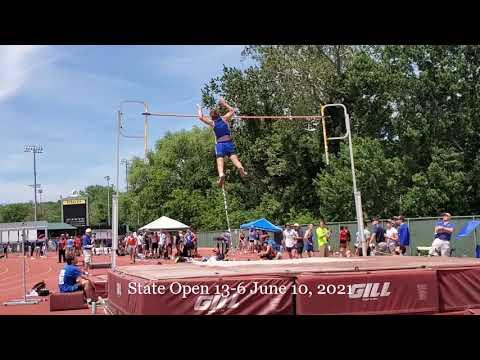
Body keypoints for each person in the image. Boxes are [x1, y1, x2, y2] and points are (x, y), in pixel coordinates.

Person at [196, 98, 247, 188]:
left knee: (219, 160)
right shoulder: (224, 119)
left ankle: (221, 174)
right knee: (234, 159)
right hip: (228, 142)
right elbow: (233, 110)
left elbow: (200, 117)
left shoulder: (213, 123)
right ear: (218, 114)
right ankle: (240, 167)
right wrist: (224, 103)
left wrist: (199, 109)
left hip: (220, 144)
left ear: (211, 116)